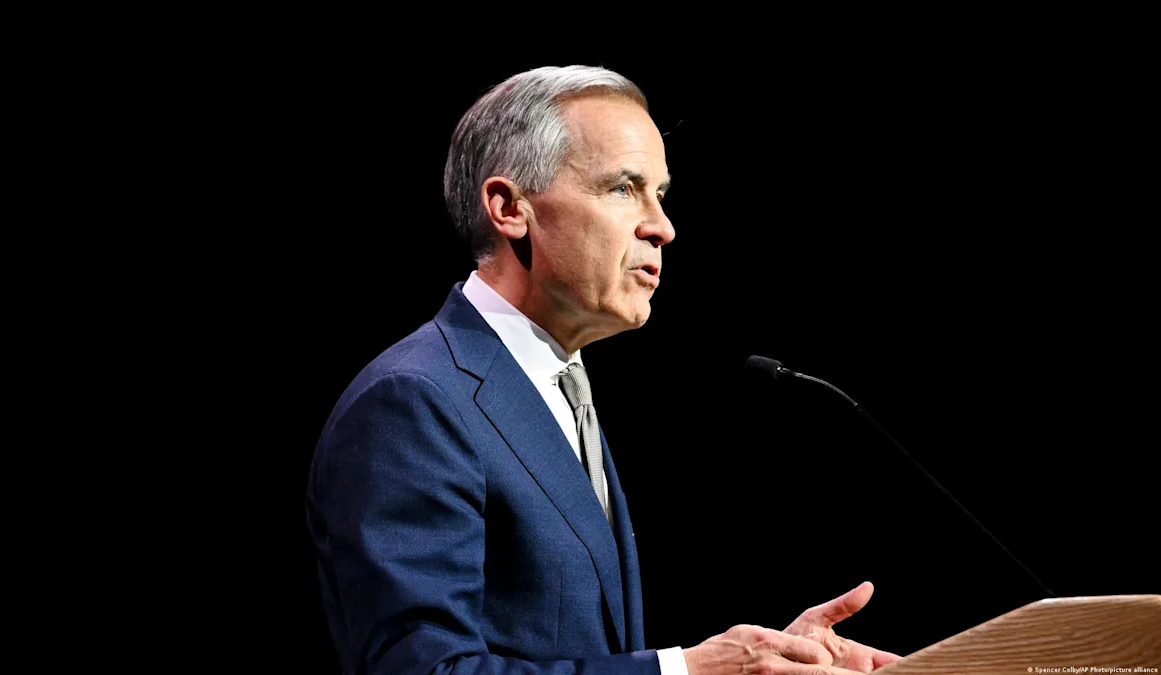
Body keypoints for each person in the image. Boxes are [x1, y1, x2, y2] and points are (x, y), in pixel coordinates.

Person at [305, 65, 901, 675]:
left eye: (660, 194)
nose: (662, 227)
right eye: (623, 188)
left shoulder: (559, 385)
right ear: (510, 208)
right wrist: (687, 671)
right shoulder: (413, 402)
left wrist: (771, 663)